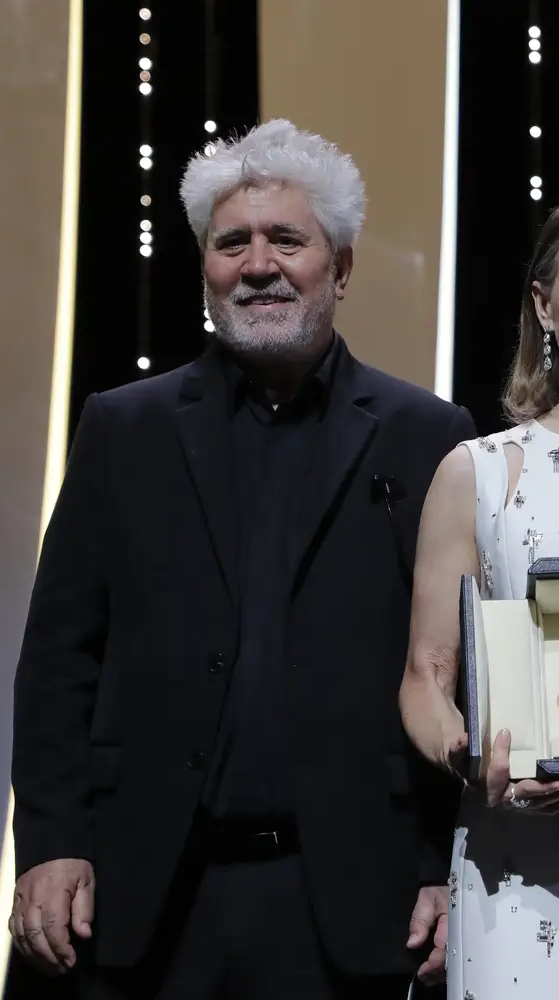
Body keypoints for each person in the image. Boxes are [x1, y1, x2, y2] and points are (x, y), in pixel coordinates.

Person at [9, 119, 475, 1000]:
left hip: (350, 905)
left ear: (339, 268)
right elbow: (59, 657)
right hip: (143, 897)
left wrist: (445, 865)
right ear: (206, 270)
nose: (257, 264)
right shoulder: (123, 428)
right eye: (233, 243)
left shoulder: (429, 438)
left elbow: (454, 674)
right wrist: (53, 840)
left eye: (285, 240)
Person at [400, 206, 559, 1000]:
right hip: (519, 864)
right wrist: (467, 750)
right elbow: (426, 674)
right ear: (544, 304)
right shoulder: (478, 473)